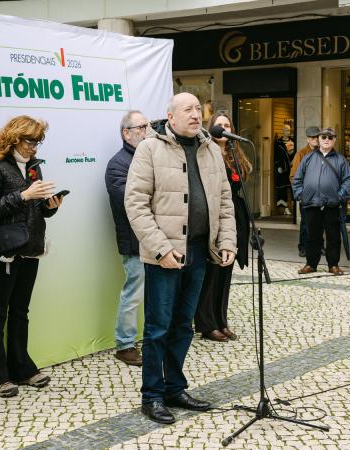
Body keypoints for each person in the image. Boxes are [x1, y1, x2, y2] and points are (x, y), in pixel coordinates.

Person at [125, 92, 237, 425]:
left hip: (199, 251)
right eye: (187, 109)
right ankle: (152, 395)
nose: (195, 115)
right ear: (170, 117)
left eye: (198, 109)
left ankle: (174, 388)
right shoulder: (149, 148)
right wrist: (161, 249)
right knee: (158, 328)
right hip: (165, 255)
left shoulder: (210, 148)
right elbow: (136, 204)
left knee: (183, 326)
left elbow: (225, 201)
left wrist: (227, 240)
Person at [0, 115, 63, 398]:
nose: (34, 147)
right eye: (30, 141)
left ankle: (21, 368)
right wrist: (24, 196)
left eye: (38, 142)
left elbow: (34, 209)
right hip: (4, 251)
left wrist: (49, 206)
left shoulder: (34, 165)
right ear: (13, 138)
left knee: (20, 311)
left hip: (30, 247)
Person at [195, 114, 251, 343]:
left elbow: (243, 176)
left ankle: (221, 320)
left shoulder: (234, 154)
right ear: (211, 128)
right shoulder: (205, 152)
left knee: (226, 271)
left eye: (227, 125)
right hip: (213, 214)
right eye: (220, 125)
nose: (224, 128)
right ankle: (207, 324)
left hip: (234, 214)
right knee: (212, 273)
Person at [105, 110, 148, 366]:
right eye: (140, 127)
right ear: (126, 133)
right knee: (133, 293)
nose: (146, 131)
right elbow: (129, 202)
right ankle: (125, 345)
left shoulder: (149, 158)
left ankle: (152, 338)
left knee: (155, 293)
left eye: (147, 126)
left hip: (156, 240)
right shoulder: (118, 164)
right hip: (134, 241)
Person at [293, 127, 350, 276]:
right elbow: (297, 178)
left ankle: (333, 265)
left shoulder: (340, 159)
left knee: (333, 236)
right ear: (318, 139)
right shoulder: (308, 158)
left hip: (331, 204)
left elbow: (348, 179)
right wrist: (301, 195)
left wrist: (340, 196)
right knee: (312, 236)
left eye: (330, 137)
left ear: (334, 140)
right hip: (312, 203)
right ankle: (311, 264)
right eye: (324, 137)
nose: (326, 140)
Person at [289, 126, 321, 254]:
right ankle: (303, 247)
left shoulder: (323, 153)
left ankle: (319, 246)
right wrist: (300, 194)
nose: (315, 140)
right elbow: (293, 176)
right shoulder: (301, 154)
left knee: (319, 223)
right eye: (313, 138)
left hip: (321, 194)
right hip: (306, 195)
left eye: (317, 137)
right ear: (308, 139)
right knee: (306, 223)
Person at [273, 124, 294, 214]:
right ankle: (284, 207)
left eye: (289, 130)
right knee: (283, 188)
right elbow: (276, 156)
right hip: (283, 168)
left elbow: (295, 154)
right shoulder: (278, 143)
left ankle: (293, 206)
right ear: (283, 131)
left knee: (292, 187)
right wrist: (278, 166)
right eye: (286, 130)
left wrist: (293, 160)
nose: (288, 132)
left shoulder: (293, 141)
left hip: (292, 168)